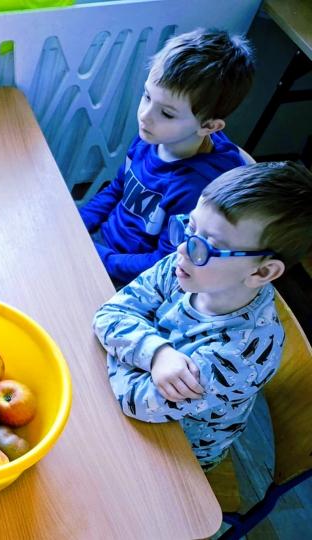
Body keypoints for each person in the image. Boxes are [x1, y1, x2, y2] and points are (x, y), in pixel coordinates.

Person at [92, 161, 312, 470]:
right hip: (138, 405)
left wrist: (126, 340)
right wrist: (156, 353)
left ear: (262, 272)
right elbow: (110, 313)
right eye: (190, 227)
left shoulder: (239, 354)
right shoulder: (188, 265)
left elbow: (137, 401)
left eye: (207, 246)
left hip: (178, 451)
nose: (182, 248)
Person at [79, 28, 256, 285]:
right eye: (147, 96)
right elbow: (118, 188)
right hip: (102, 246)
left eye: (167, 113)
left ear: (208, 126)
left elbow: (164, 262)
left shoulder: (196, 189)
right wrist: (79, 225)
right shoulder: (152, 136)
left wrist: (99, 258)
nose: (145, 115)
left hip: (131, 278)